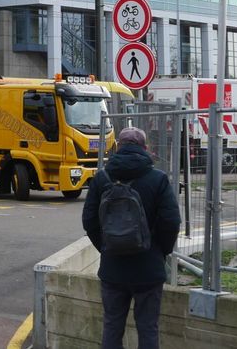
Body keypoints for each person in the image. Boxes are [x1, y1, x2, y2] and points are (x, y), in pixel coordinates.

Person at [81, 127, 180, 349]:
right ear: (145, 148)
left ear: (118, 146)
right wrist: (159, 251)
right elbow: (171, 222)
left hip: (113, 269)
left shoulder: (101, 178)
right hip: (148, 268)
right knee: (147, 328)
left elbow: (89, 221)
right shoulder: (158, 179)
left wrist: (107, 246)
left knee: (112, 326)